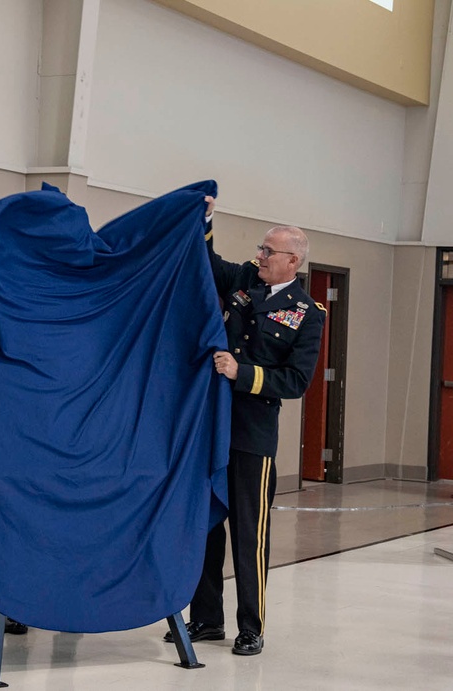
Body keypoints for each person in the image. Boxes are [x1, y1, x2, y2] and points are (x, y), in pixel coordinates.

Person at [165, 196, 325, 656]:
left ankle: (251, 626)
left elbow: (296, 381)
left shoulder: (307, 314)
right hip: (209, 426)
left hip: (252, 435)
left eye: (268, 251)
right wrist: (206, 218)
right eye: (260, 248)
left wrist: (243, 373)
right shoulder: (245, 280)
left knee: (249, 534)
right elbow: (207, 261)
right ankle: (206, 619)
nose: (260, 256)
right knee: (206, 525)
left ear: (292, 260)